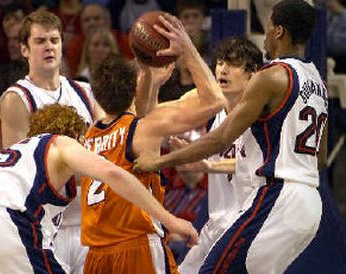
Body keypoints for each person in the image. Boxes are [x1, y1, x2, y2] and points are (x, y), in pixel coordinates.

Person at [135, 1, 328, 273]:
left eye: (269, 24)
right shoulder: (317, 81)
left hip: (277, 196)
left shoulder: (271, 76)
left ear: (279, 31)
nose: (267, 30)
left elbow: (220, 139)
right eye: (221, 63)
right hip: (308, 202)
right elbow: (320, 158)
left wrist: (158, 163)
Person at [0, 103, 198, 274]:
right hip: (4, 227)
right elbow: (113, 173)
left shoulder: (6, 156)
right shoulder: (59, 143)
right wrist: (171, 220)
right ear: (76, 136)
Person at [80, 17, 226, 272]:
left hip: (96, 254)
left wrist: (148, 74)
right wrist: (186, 47)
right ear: (131, 88)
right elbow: (215, 100)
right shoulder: (145, 128)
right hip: (136, 245)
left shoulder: (90, 135)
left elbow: (140, 111)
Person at [0, 10, 98, 274]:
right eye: (40, 41)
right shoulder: (17, 98)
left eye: (54, 40)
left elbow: (108, 146)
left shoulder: (85, 92)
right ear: (24, 49)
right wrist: (84, 168)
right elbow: (22, 174)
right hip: (46, 227)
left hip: (89, 222)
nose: (49, 46)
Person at [172, 37, 264, 273]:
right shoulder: (216, 111)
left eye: (232, 64)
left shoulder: (261, 117)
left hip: (245, 225)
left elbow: (254, 163)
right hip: (215, 223)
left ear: (253, 74)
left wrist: (211, 167)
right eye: (220, 63)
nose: (222, 69)